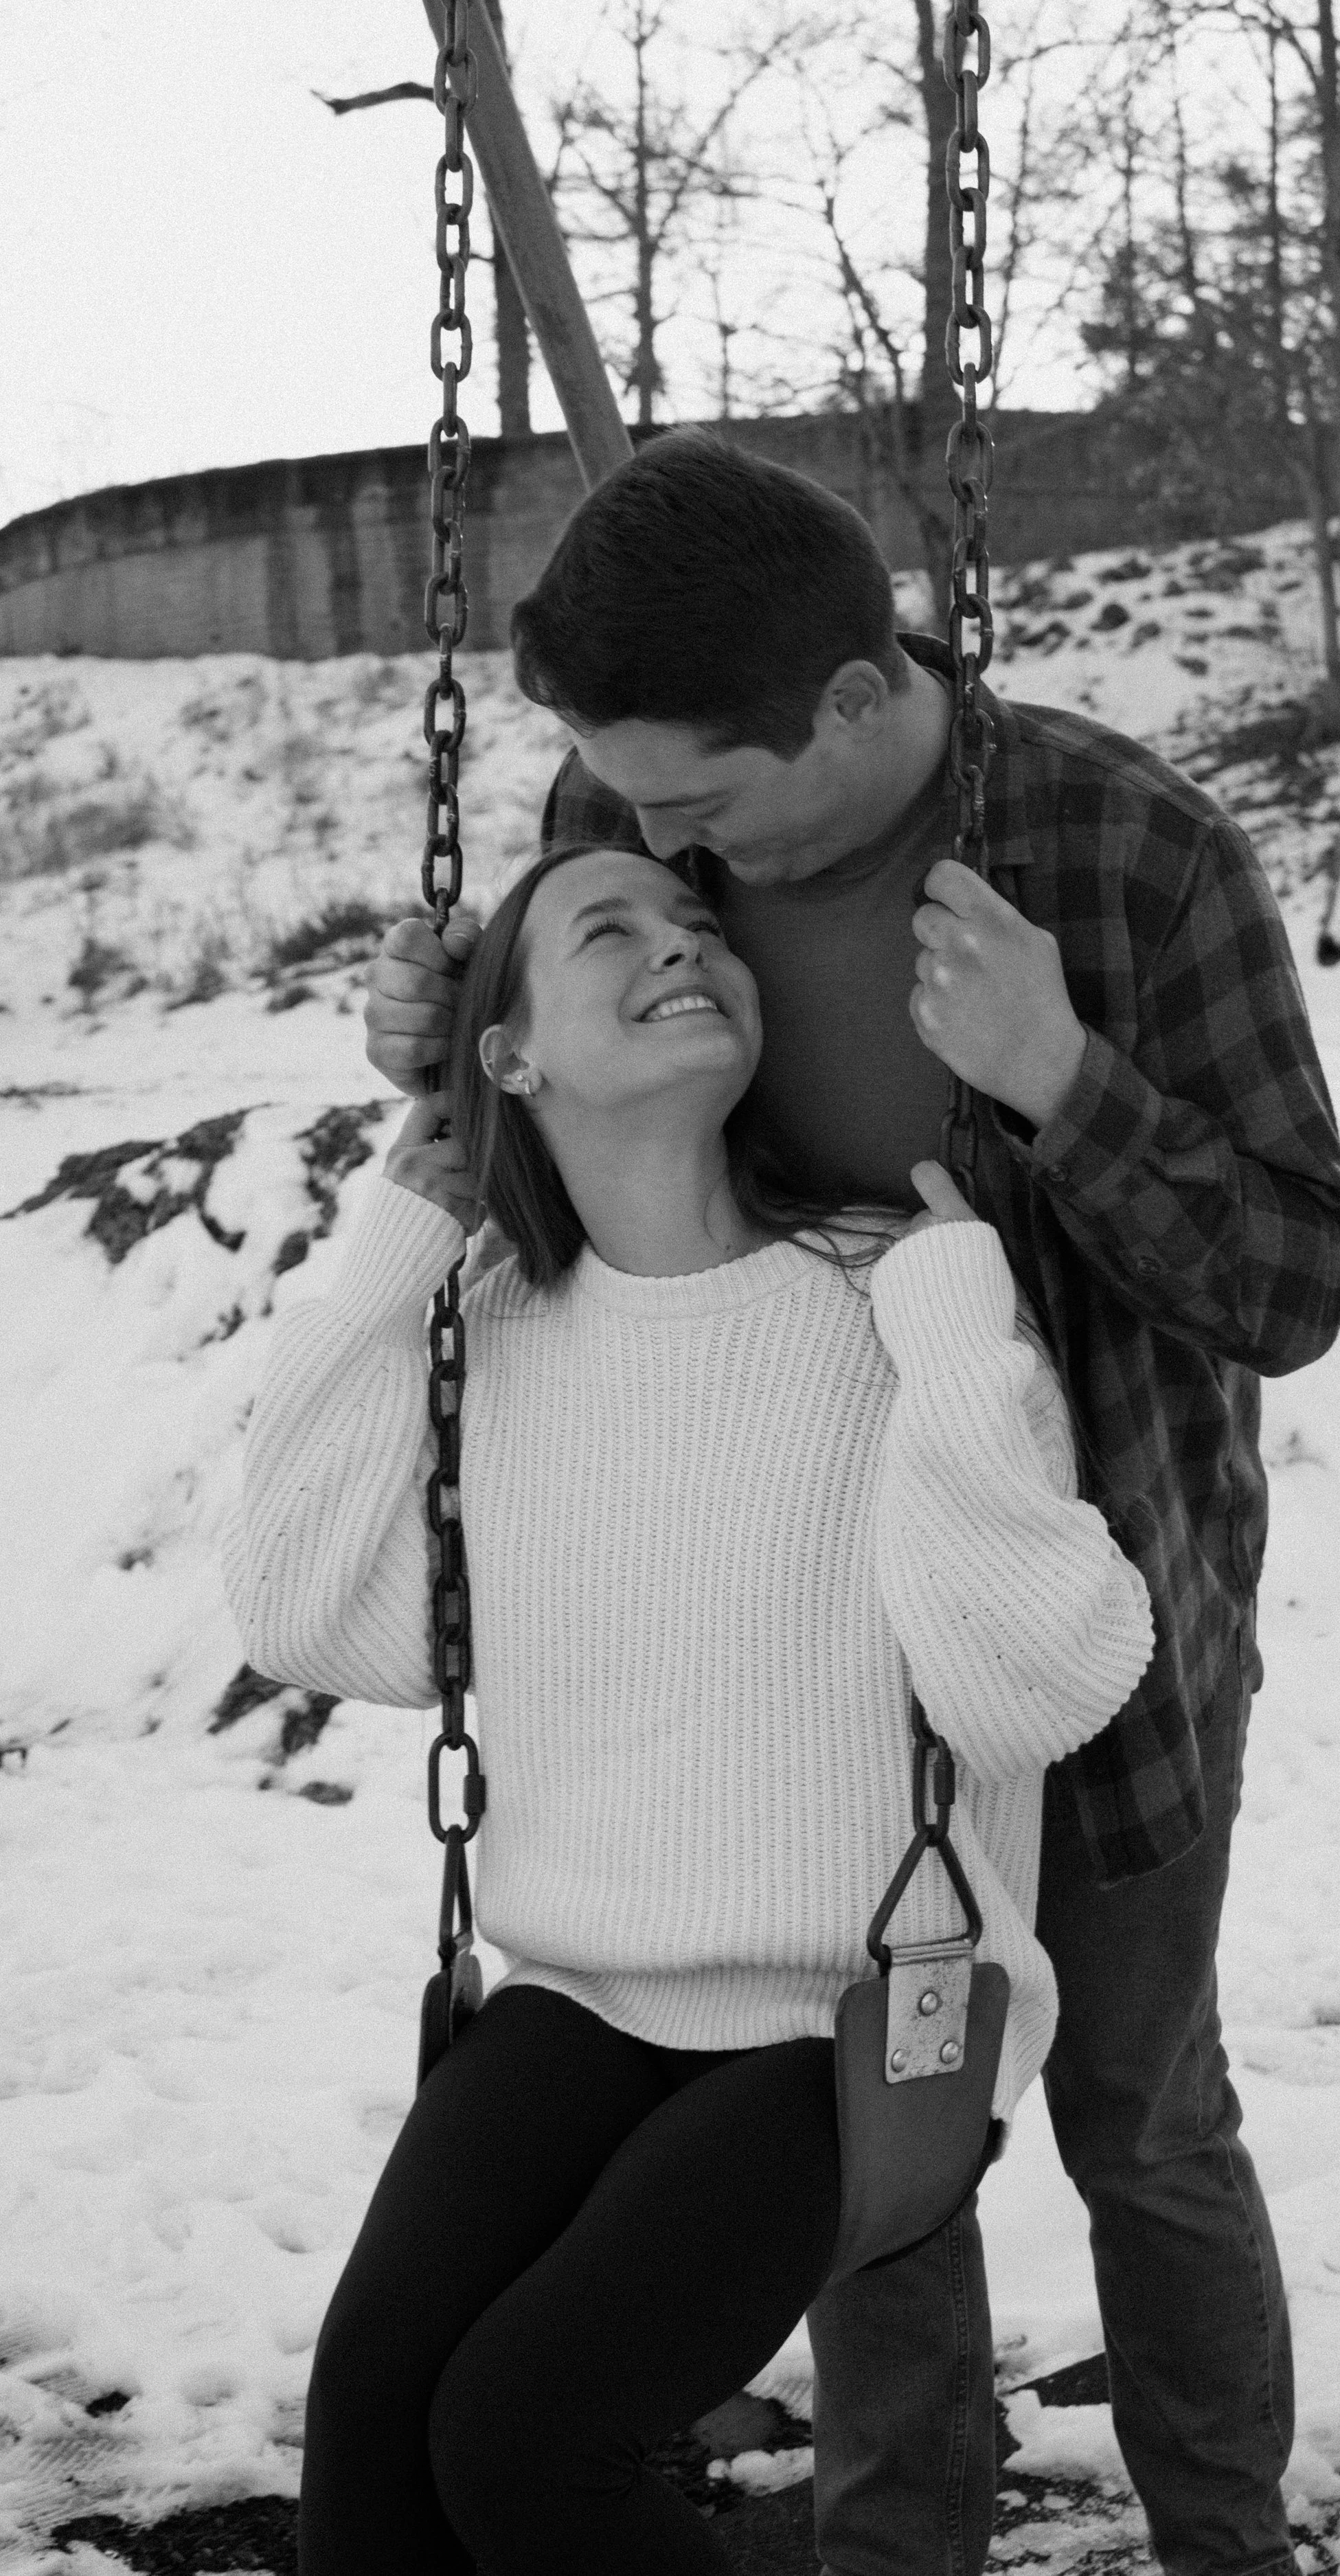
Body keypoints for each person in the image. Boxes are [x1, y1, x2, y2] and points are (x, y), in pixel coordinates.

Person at [364, 433, 1340, 2576]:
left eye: (703, 807)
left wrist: (1062, 1082)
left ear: (846, 697)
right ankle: (892, 2555)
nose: (658, 848)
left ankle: (1222, 2541)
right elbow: (570, 1109)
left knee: (1136, 2113)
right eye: (627, 802)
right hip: (798, 1644)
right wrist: (441, 1044)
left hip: (1093, 1613)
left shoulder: (1127, 855)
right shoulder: (627, 818)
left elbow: (1290, 1280)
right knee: (866, 2142)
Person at [227, 839, 1157, 2576]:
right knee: (370, 2423)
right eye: (612, 929)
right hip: (581, 1989)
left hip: (844, 2022)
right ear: (509, 1055)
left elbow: (1034, 1686)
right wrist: (390, 1257)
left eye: (699, 925)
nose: (683, 947)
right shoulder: (490, 1323)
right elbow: (307, 1615)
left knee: (521, 2435)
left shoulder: (892, 1291)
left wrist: (957, 1330)